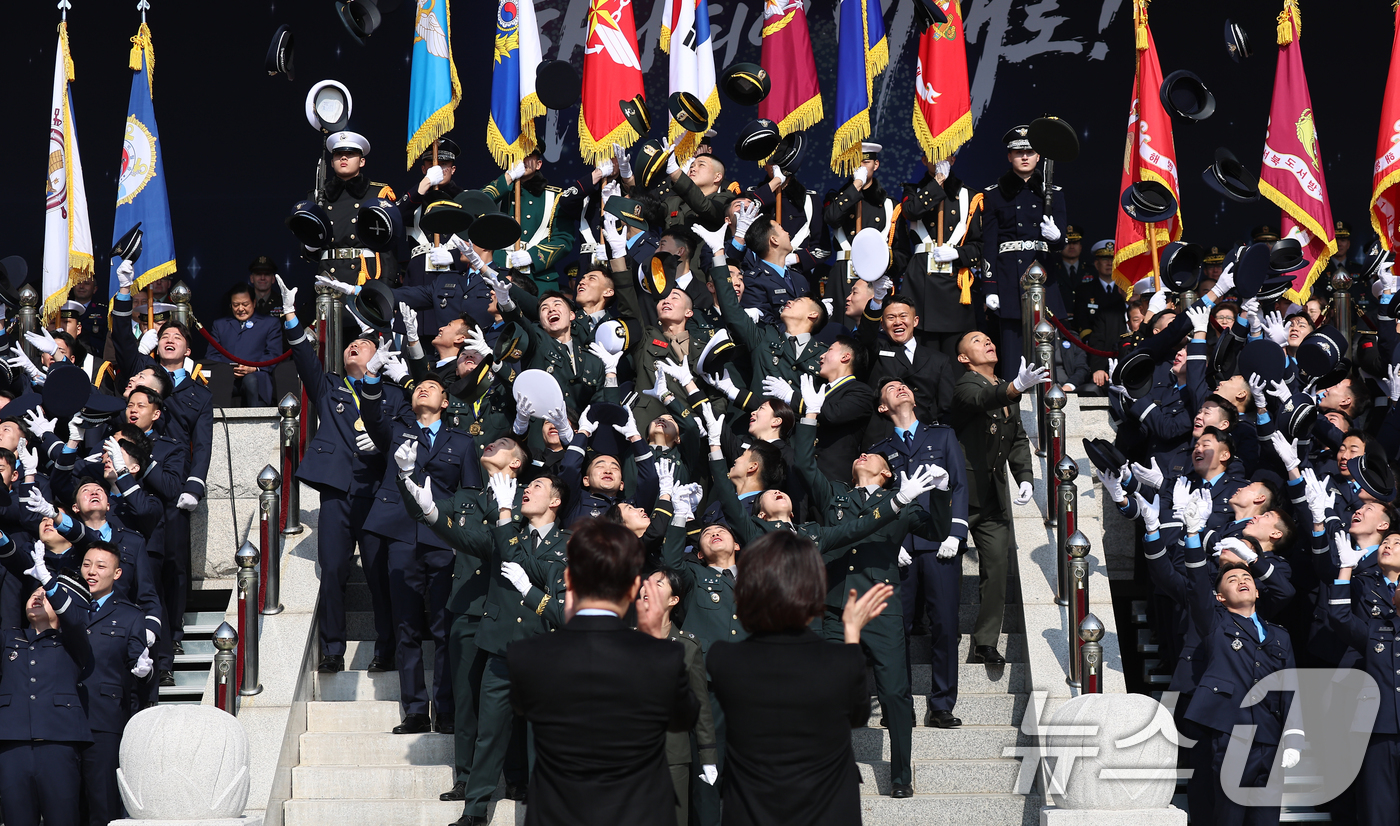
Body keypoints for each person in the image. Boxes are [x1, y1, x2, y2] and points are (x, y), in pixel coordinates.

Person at [508, 519, 700, 826]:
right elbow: (684, 717)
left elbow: (523, 705)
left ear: (568, 579)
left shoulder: (528, 656)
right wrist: (653, 645)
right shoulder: (662, 656)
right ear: (634, 587)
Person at [707, 531, 892, 826]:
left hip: (752, 811)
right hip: (828, 811)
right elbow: (857, 716)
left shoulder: (723, 660)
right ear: (813, 589)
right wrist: (852, 635)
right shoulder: (841, 662)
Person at [273, 275, 394, 674]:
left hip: (378, 491)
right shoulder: (332, 386)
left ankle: (386, 649)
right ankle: (332, 650)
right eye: (349, 344)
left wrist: (384, 444)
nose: (353, 346)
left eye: (363, 343)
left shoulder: (393, 394)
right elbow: (305, 358)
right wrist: (290, 314)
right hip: (339, 492)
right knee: (334, 568)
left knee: (379, 574)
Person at [947, 333, 1040, 665]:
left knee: (998, 566)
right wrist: (1015, 387)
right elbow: (980, 400)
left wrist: (1025, 478)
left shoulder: (1004, 385)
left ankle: (985, 641)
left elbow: (1016, 438)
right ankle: (939, 627)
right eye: (977, 341)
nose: (987, 342)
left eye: (989, 339)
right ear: (963, 358)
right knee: (947, 566)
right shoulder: (966, 385)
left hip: (993, 496)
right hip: (961, 495)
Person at [980, 125, 1067, 379]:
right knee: (1013, 358)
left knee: (1045, 352)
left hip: (1043, 277)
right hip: (1009, 281)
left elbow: (1060, 240)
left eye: (1030, 151)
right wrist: (990, 287)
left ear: (1039, 156)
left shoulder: (1054, 193)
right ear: (1009, 157)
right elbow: (989, 245)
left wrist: (1057, 237)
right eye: (1018, 152)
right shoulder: (994, 195)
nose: (1025, 157)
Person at [637, 566, 718, 826]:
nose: (647, 588)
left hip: (672, 756)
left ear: (673, 600)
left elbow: (701, 709)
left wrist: (708, 758)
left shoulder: (688, 647)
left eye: (658, 584)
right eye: (646, 583)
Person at [204, 283, 282, 406]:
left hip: (256, 377)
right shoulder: (220, 325)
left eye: (245, 304)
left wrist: (253, 367)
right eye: (236, 305)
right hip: (227, 377)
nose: (240, 309)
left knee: (251, 380)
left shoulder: (270, 323)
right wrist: (228, 369)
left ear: (254, 303)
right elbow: (212, 355)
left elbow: (273, 353)